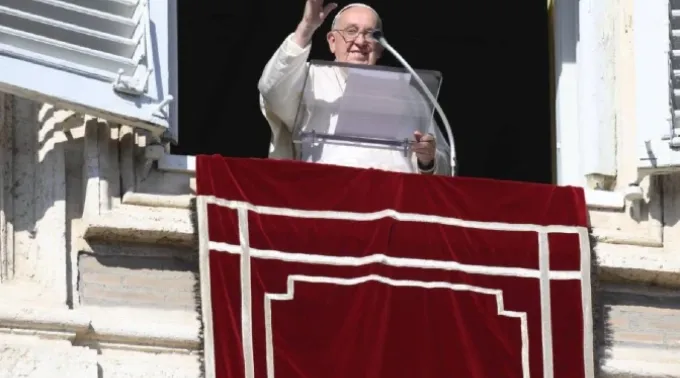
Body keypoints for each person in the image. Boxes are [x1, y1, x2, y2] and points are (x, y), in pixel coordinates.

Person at [258, 1, 451, 175]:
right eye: (351, 31)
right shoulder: (310, 78)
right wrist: (306, 28)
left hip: (393, 201)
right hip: (328, 194)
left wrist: (427, 161)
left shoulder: (408, 94)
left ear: (380, 47)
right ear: (332, 42)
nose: (360, 42)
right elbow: (272, 89)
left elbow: (443, 160)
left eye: (370, 34)